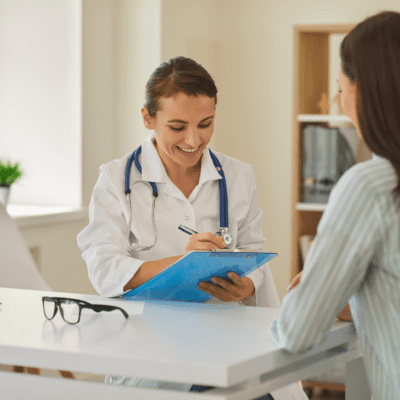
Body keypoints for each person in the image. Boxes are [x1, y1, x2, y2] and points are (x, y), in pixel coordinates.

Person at [78, 57, 307, 399]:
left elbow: (252, 250)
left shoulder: (237, 175)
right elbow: (104, 267)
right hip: (152, 351)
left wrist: (245, 286)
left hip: (231, 342)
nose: (193, 139)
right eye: (177, 126)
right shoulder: (115, 179)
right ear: (147, 118)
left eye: (206, 124)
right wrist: (182, 265)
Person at [270, 11, 400, 400]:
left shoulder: (371, 187)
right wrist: (356, 298)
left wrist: (311, 294)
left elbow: (297, 331)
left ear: (366, 92)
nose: (340, 101)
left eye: (341, 87)